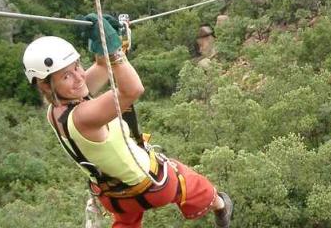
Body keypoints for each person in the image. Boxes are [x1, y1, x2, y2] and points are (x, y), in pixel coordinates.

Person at [23, 14, 233, 228]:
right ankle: (219, 204)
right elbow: (132, 90)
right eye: (66, 76)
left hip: (115, 198)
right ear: (46, 85)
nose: (79, 77)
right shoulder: (84, 116)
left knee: (127, 219)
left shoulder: (57, 109)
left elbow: (103, 68)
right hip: (152, 188)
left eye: (77, 66)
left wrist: (108, 42)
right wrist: (114, 50)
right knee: (184, 178)